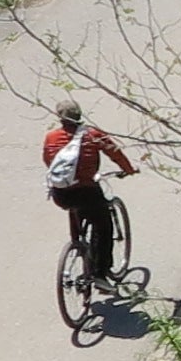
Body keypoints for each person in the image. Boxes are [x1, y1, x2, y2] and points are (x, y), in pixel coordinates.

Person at [42, 101, 135, 287]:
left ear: (60, 117)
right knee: (103, 226)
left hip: (61, 193)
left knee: (75, 208)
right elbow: (115, 153)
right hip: (87, 191)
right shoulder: (93, 135)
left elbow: (48, 161)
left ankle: (77, 243)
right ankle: (99, 274)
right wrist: (128, 169)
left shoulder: (51, 137)